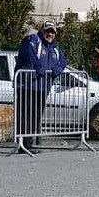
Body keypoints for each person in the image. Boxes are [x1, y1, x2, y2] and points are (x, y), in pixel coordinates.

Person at [14, 21, 67, 154]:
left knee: (35, 116)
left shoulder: (55, 48)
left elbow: (62, 60)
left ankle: (28, 144)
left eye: (52, 32)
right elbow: (28, 55)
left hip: (43, 87)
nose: (49, 34)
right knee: (25, 115)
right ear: (42, 31)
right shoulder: (32, 40)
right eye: (47, 31)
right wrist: (39, 68)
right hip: (27, 85)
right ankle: (22, 144)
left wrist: (58, 69)